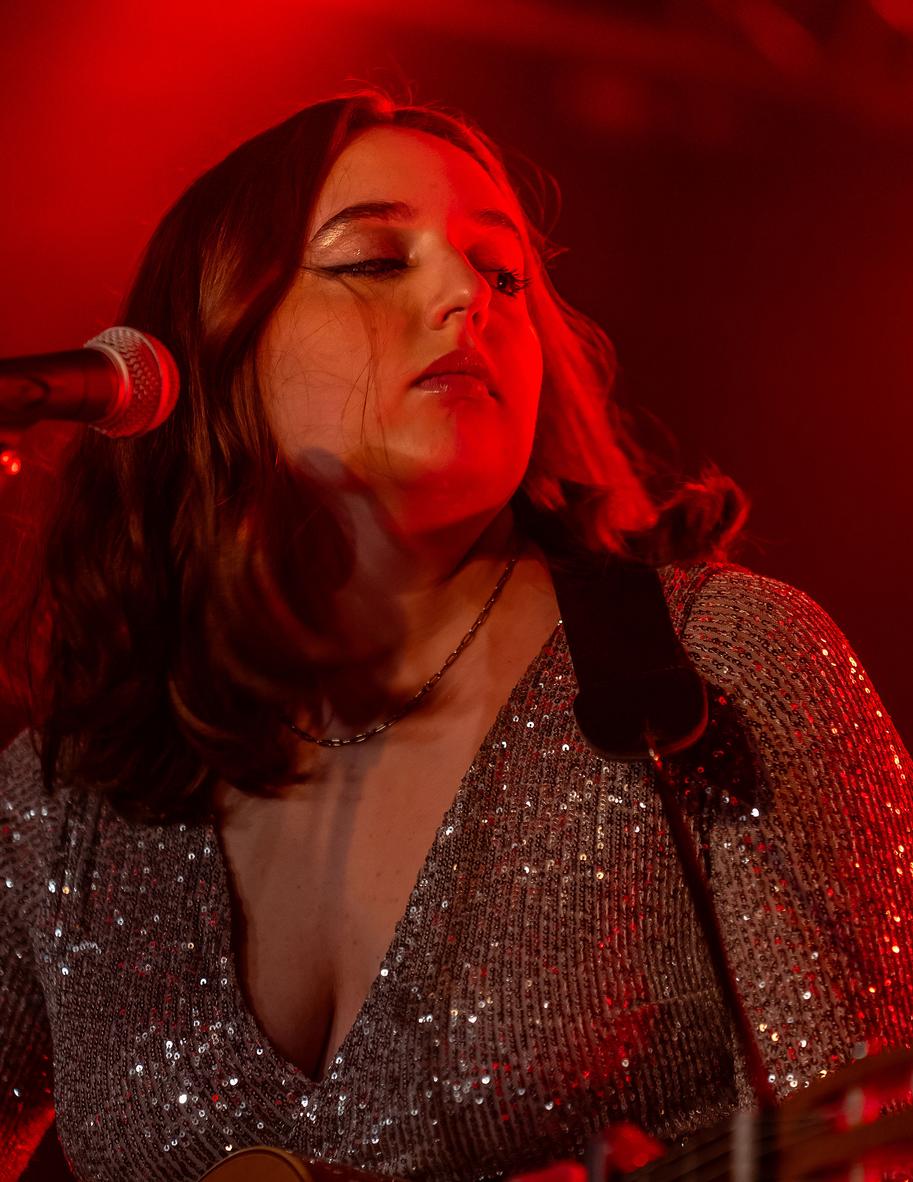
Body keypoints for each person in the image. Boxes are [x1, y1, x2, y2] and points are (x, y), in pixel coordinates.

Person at [1, 89, 912, 1182]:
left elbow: (878, 1141)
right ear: (209, 344)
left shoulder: (720, 666)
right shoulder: (64, 795)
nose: (464, 296)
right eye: (374, 261)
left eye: (504, 274)